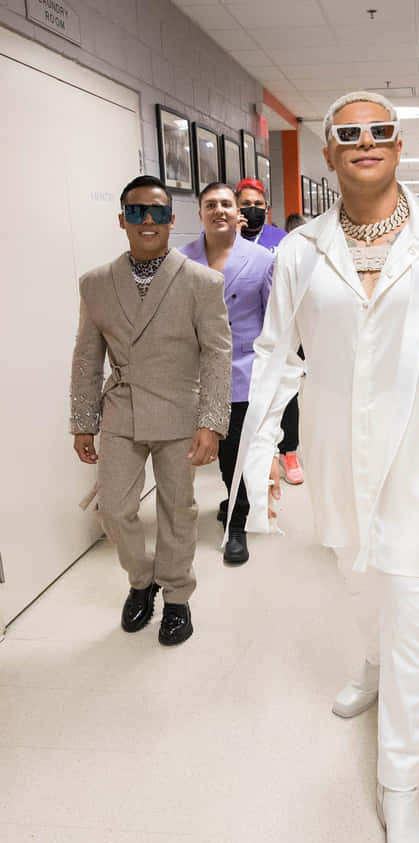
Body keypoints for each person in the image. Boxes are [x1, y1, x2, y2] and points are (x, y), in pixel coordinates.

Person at [225, 91, 419, 843]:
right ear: (328, 154)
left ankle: (401, 791)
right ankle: (372, 664)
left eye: (380, 129)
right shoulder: (301, 252)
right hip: (340, 463)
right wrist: (255, 472)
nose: (366, 141)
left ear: (399, 144)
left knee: (417, 619)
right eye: (347, 133)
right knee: (358, 584)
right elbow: (277, 356)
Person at [70, 175, 231, 645]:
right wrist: (83, 421)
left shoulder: (202, 282)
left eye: (157, 212)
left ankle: (177, 595)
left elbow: (217, 354)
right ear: (122, 219)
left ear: (171, 219)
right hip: (121, 410)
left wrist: (211, 422)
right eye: (136, 211)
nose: (147, 220)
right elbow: (86, 355)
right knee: (116, 511)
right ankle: (143, 582)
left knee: (177, 510)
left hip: (180, 409)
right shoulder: (96, 283)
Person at [178, 182, 273, 565]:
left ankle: (237, 521)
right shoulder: (181, 260)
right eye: (210, 204)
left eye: (226, 204)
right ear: (200, 213)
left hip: (243, 369)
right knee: (208, 449)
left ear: (239, 213)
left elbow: (272, 322)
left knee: (234, 450)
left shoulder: (262, 259)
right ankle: (230, 499)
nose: (219, 210)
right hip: (196, 371)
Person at [237, 178, 304, 486]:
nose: (252, 211)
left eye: (258, 205)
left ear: (268, 209)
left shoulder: (283, 239)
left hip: (281, 326)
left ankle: (289, 452)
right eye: (245, 206)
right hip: (242, 330)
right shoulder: (225, 238)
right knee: (248, 395)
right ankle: (257, 452)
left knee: (284, 391)